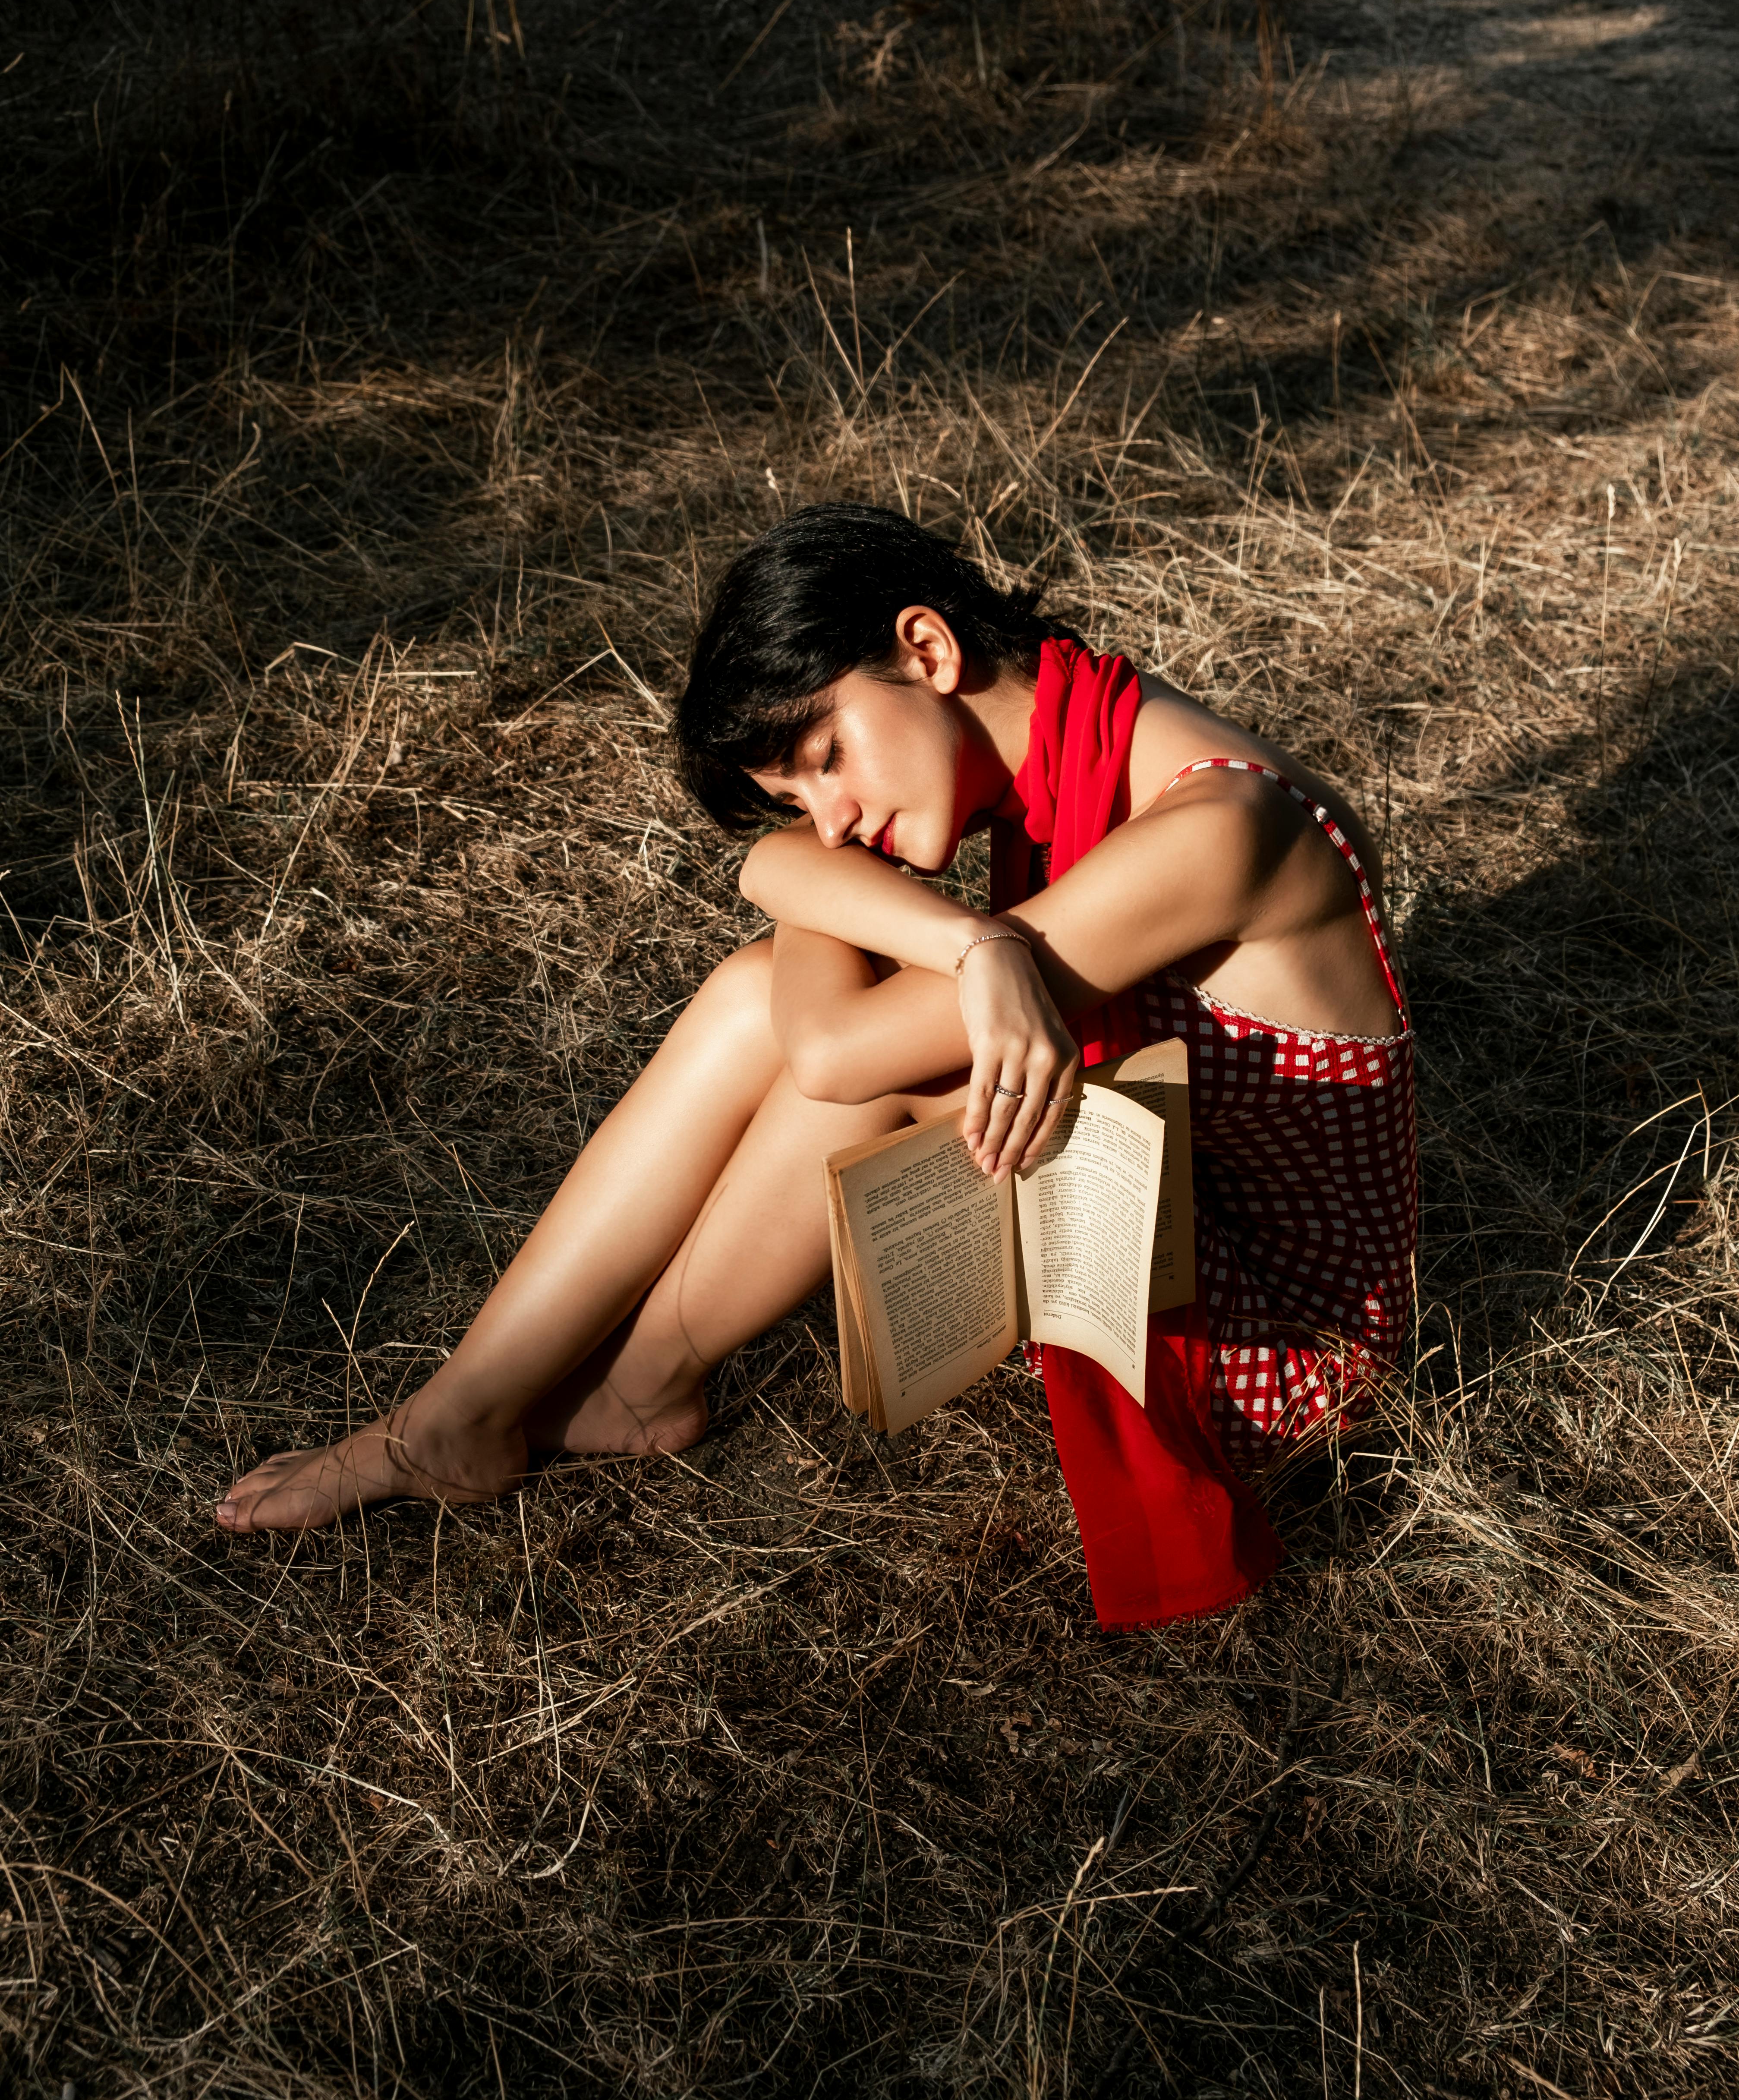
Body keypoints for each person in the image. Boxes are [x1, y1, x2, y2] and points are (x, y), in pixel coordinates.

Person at [218, 504, 1415, 1631]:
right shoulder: (1088, 722)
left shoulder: (1218, 832)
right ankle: (567, 1396)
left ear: (928, 647)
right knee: (782, 991)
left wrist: (964, 947)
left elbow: (834, 1045)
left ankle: (491, 1416)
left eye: (828, 754)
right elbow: (776, 873)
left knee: (842, 1037)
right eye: (797, 793)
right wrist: (974, 939)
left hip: (1279, 1349)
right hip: (1176, 1221)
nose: (832, 819)